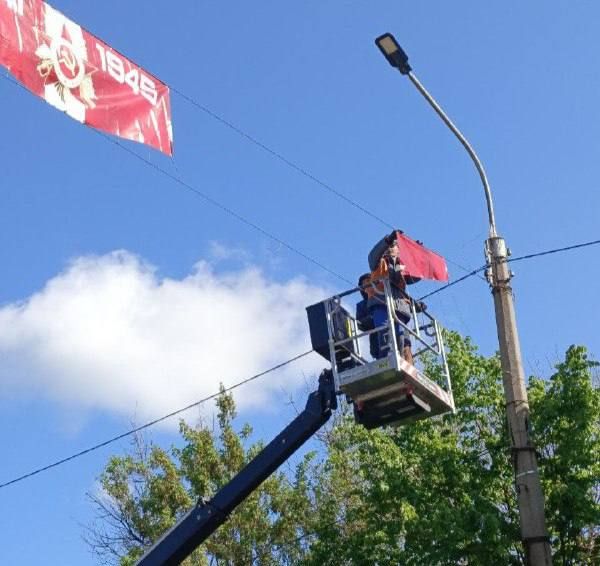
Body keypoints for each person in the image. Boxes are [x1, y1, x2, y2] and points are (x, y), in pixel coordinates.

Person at [366, 232, 426, 363]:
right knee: (385, 334)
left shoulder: (402, 268)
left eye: (394, 245)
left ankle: (402, 362)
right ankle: (387, 360)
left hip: (400, 307)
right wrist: (387, 240)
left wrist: (417, 254)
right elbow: (372, 256)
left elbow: (417, 275)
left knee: (402, 338)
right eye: (390, 246)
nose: (391, 248)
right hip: (381, 303)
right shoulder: (378, 263)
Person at [355, 273, 379, 359]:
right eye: (365, 283)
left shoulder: (385, 297)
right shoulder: (361, 305)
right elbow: (360, 324)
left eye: (369, 281)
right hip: (377, 342)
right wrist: (375, 318)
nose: (368, 284)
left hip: (394, 335)